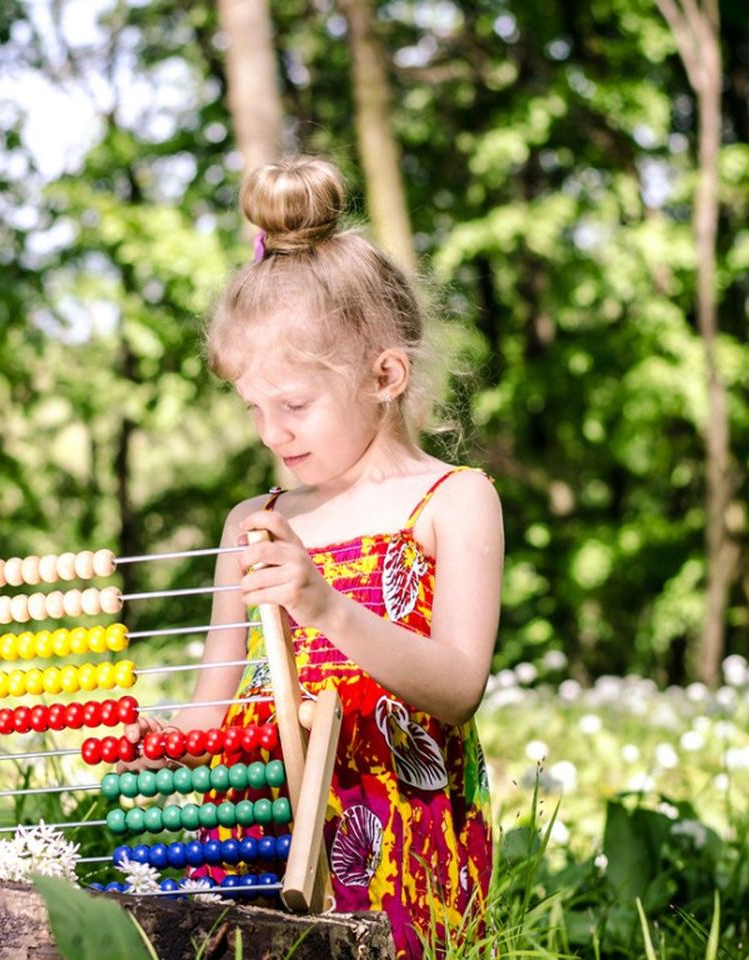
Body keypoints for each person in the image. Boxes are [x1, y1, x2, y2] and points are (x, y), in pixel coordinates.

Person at [166, 155, 503, 958]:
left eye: (293, 404)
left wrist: (324, 606)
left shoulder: (453, 500)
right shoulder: (255, 519)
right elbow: (211, 708)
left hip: (403, 848)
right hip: (261, 837)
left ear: (386, 374)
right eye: (253, 407)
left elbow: (458, 688)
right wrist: (160, 743)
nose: (270, 433)